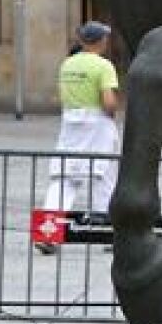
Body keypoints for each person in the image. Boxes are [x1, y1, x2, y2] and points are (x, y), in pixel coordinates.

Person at [42, 21, 122, 219]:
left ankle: (48, 229)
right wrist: (113, 111)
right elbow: (109, 102)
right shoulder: (103, 66)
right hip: (98, 123)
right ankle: (104, 228)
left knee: (64, 177)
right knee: (103, 176)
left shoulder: (67, 64)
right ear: (101, 41)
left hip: (71, 121)